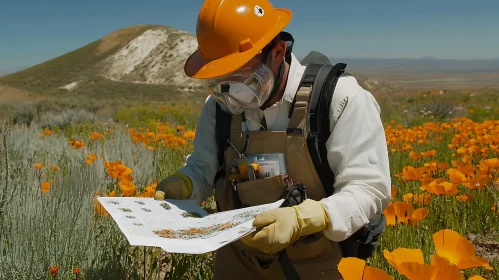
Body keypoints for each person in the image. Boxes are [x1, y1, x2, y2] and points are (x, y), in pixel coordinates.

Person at [154, 0, 391, 279]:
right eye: (220, 81)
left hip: (315, 264)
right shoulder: (218, 106)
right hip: (237, 262)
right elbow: (203, 169)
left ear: (277, 52)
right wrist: (186, 183)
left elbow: (368, 189)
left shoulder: (339, 99)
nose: (229, 93)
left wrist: (306, 218)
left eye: (240, 76)